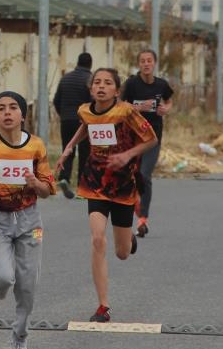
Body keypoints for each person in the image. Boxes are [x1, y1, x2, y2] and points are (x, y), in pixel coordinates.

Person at [57, 68, 157, 323]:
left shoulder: (126, 112)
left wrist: (127, 155)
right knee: (98, 239)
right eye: (97, 82)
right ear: (91, 89)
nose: (101, 86)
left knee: (122, 253)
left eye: (107, 83)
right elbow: (87, 125)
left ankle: (129, 239)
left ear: (116, 90)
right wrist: (69, 147)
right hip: (95, 182)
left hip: (123, 185)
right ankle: (103, 306)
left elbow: (151, 139)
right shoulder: (85, 110)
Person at [0, 91, 55, 349]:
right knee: (2, 279)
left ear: (22, 115)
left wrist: (35, 183)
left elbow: (47, 191)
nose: (7, 112)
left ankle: (20, 335)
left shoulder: (36, 146)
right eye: (1, 108)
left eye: (13, 107)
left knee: (28, 285)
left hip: (31, 223)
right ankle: (1, 284)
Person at [120, 49, 173, 238]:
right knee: (131, 176)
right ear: (139, 64)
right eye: (142, 61)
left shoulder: (161, 84)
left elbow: (169, 100)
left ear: (154, 63)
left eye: (149, 60)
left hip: (153, 138)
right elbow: (119, 104)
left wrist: (166, 109)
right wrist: (138, 107)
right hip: (132, 138)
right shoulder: (131, 84)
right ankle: (136, 205)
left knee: (145, 175)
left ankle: (143, 219)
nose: (146, 64)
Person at [53, 52, 93, 199]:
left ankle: (65, 178)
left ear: (78, 62)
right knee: (85, 152)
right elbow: (93, 102)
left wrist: (63, 114)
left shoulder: (66, 78)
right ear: (90, 64)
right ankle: (82, 185)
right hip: (84, 121)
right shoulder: (90, 80)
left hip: (66, 120)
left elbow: (56, 100)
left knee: (67, 149)